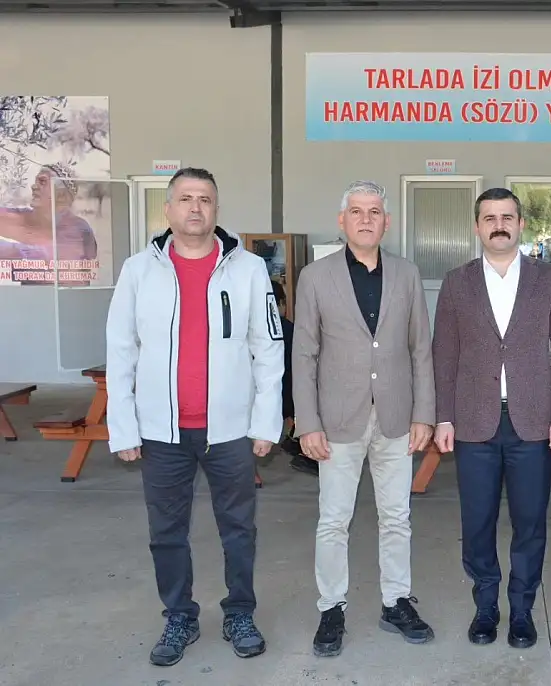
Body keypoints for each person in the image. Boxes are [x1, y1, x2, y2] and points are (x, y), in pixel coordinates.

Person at [105, 167, 283, 666]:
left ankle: (239, 613)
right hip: (161, 431)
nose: (195, 208)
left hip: (229, 430)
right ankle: (179, 615)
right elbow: (120, 351)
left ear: (216, 209)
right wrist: (123, 426)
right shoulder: (138, 271)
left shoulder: (248, 269)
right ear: (168, 209)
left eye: (204, 199)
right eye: (185, 198)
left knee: (239, 529)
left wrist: (265, 422)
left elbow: (269, 348)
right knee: (166, 532)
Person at [292, 180, 436, 658]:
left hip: (396, 418)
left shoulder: (407, 274)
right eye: (357, 211)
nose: (366, 219)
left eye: (375, 211)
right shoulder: (315, 277)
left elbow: (420, 349)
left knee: (397, 516)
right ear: (342, 220)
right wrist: (308, 422)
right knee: (334, 519)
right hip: (337, 421)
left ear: (386, 222)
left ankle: (396, 602)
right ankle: (331, 608)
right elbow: (304, 354)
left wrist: (424, 413)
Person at [432, 187, 551, 649]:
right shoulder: (456, 282)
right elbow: (444, 354)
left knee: (529, 522)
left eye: (507, 217)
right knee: (477, 523)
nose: (499, 225)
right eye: (490, 218)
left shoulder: (549, 279)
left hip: (533, 423)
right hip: (473, 423)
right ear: (477, 227)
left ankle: (521, 610)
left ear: (521, 224)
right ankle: (485, 606)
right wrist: (443, 417)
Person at [271, 279, 317, 475]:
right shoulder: (290, 330)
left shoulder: (252, 330)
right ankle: (308, 455)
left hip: (266, 397)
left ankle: (294, 439)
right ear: (281, 303)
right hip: (288, 397)